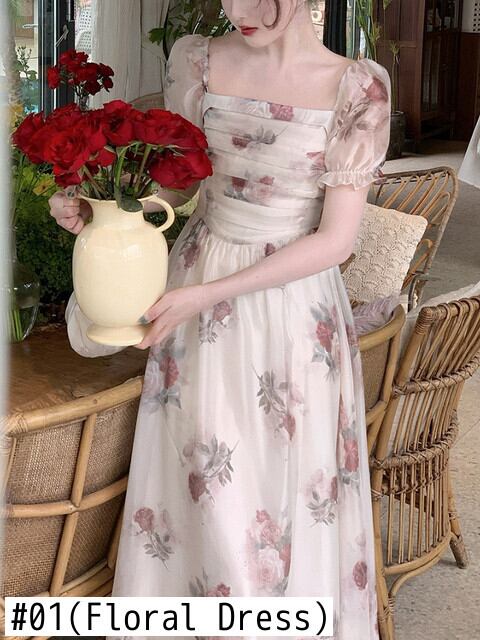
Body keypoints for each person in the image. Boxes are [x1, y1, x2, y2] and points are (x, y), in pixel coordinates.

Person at [49, 1, 391, 638]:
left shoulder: (356, 87)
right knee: (200, 484)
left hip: (287, 309)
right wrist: (108, 213)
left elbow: (335, 241)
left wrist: (209, 295)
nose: (242, 11)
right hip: (197, 285)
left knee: (276, 492)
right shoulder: (197, 60)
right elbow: (183, 187)